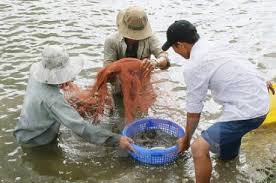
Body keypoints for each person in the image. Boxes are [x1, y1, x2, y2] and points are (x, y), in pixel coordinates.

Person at [162, 20, 270, 183]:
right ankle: (230, 172)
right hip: (261, 100)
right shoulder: (215, 45)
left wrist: (186, 140)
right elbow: (241, 64)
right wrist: (261, 82)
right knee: (226, 155)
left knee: (198, 148)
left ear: (180, 45)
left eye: (174, 48)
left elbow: (194, 112)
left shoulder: (194, 65)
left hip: (248, 112)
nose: (176, 52)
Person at [14, 45, 133, 151]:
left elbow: (47, 92)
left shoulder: (35, 74)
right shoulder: (53, 100)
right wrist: (117, 140)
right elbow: (81, 128)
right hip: (37, 142)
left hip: (24, 130)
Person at [104, 6, 170, 94]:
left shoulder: (150, 38)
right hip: (118, 88)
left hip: (143, 87)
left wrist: (155, 63)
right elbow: (107, 69)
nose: (134, 37)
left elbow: (164, 58)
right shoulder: (111, 41)